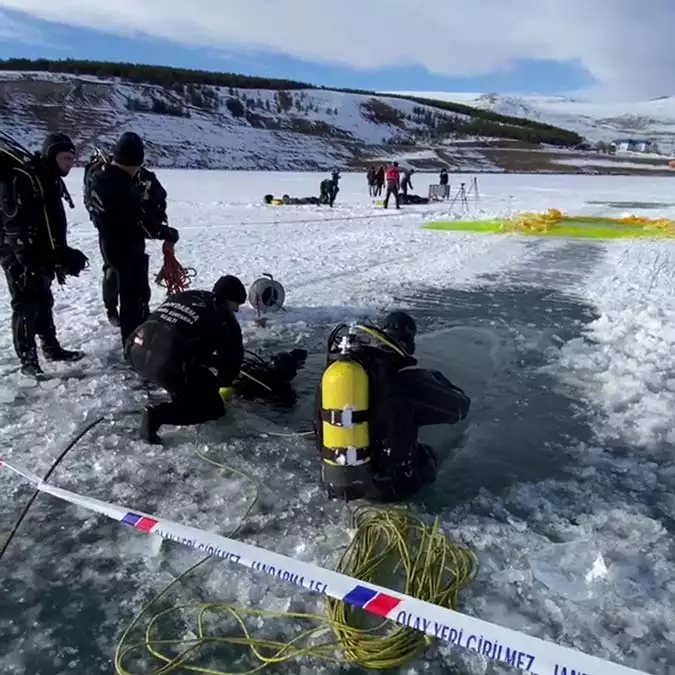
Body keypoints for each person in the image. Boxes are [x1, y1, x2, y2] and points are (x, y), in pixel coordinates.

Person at [314, 312, 470, 503]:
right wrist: (436, 380)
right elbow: (459, 408)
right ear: (409, 343)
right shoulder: (409, 382)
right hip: (391, 488)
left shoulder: (335, 378)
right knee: (432, 453)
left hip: (336, 482)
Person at [0, 132, 89, 378]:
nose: (70, 163)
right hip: (18, 256)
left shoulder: (48, 179)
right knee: (25, 306)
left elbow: (50, 224)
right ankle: (28, 361)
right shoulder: (23, 179)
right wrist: (28, 261)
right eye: (66, 158)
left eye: (73, 158)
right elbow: (14, 226)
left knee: (43, 301)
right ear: (52, 155)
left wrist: (60, 255)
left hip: (40, 254)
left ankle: (51, 348)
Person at [126, 275, 247, 444]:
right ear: (229, 299)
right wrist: (223, 383)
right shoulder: (225, 319)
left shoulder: (186, 297)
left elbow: (181, 331)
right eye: (237, 304)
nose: (237, 310)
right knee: (213, 408)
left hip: (135, 349)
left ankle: (178, 395)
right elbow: (231, 363)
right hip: (165, 361)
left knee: (192, 376)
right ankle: (157, 415)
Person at [85, 132, 179, 348]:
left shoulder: (136, 176)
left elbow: (156, 199)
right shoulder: (105, 182)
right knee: (126, 289)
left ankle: (141, 325)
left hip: (133, 243)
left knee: (138, 289)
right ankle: (130, 342)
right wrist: (162, 232)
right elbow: (131, 219)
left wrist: (157, 217)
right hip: (114, 243)